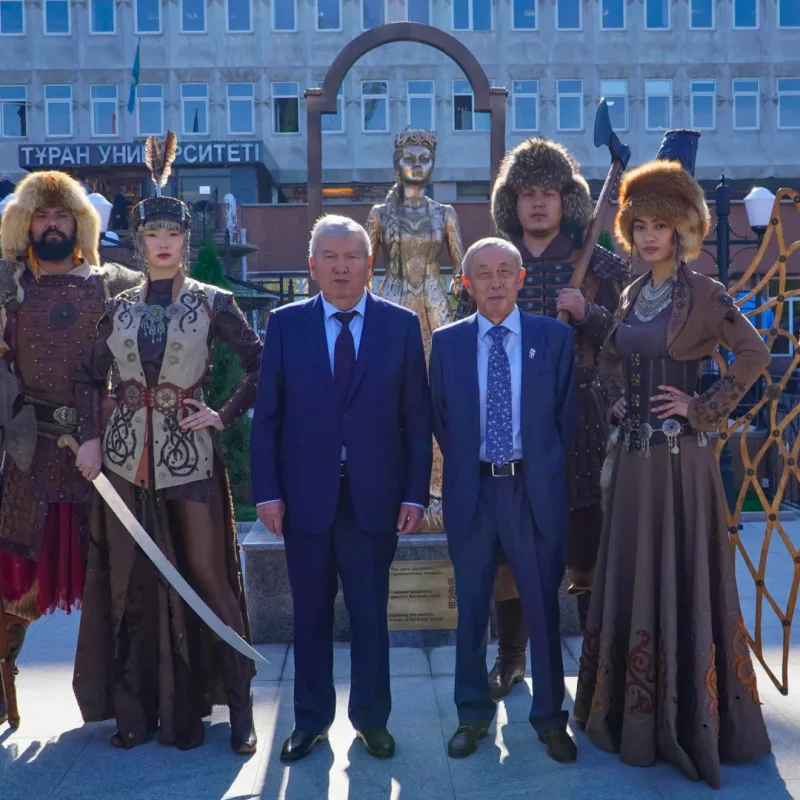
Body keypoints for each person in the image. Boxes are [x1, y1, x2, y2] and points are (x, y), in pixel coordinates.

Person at [572, 131, 772, 788]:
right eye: (640, 224)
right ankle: (629, 716)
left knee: (679, 575)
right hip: (630, 468)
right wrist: (615, 402)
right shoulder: (629, 295)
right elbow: (607, 358)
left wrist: (701, 407)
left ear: (684, 228)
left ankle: (687, 721)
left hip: (681, 467)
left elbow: (754, 357)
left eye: (661, 224)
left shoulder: (706, 294)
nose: (650, 235)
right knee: (631, 573)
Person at [71, 131, 262, 753]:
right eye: (152, 235)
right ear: (138, 239)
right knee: (132, 583)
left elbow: (264, 365)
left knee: (207, 576)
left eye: (172, 236)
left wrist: (225, 415)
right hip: (125, 464)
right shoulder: (117, 306)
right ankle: (138, 711)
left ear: (186, 243)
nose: (161, 245)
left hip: (191, 460)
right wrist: (91, 438)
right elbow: (85, 375)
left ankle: (240, 710)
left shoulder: (214, 302)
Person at [251, 214, 432, 763]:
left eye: (352, 256)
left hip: (374, 497)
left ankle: (371, 719)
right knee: (309, 615)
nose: (341, 266)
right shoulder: (285, 325)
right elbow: (268, 418)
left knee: (371, 614)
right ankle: (310, 721)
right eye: (329, 256)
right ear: (312, 267)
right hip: (305, 499)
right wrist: (266, 493)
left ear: (369, 265)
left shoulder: (400, 327)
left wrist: (415, 494)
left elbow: (416, 419)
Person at [471, 138, 630, 699]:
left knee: (587, 548)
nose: (538, 203)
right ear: (511, 201)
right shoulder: (494, 264)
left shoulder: (603, 264)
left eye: (550, 192)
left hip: (585, 425)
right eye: (528, 192)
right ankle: (511, 658)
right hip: (509, 425)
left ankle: (593, 667)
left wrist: (589, 314)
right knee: (508, 551)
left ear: (569, 200)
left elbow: (632, 340)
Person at [0, 170, 142, 726]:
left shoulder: (113, 284)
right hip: (26, 451)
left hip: (99, 451)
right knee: (10, 577)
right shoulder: (5, 286)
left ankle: (124, 692)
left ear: (79, 223)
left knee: (115, 576)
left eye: (62, 216)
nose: (52, 224)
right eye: (42, 215)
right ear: (25, 222)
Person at [430, 237, 577, 763]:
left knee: (542, 608)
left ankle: (550, 719)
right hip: (473, 490)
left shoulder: (554, 339)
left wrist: (539, 474)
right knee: (471, 611)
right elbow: (444, 421)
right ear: (466, 284)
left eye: (504, 272)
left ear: (519, 280)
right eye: (482, 273)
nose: (494, 281)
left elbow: (564, 422)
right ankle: (471, 715)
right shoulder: (446, 344)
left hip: (531, 491)